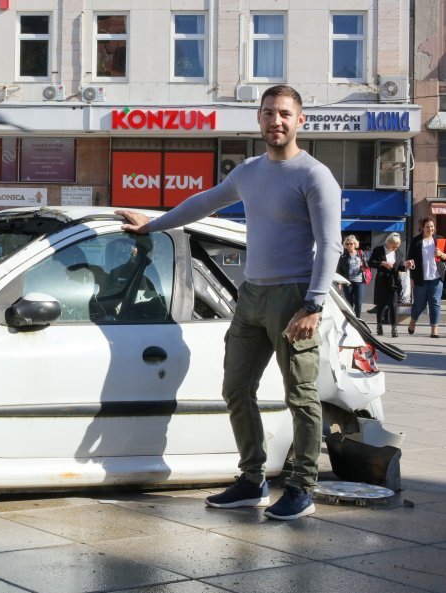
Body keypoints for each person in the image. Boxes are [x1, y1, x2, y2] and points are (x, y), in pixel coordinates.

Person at [118, 85, 342, 521]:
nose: (275, 121)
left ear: (300, 121)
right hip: (251, 296)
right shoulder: (249, 171)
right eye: (268, 113)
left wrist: (313, 306)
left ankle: (301, 486)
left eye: (283, 114)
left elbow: (329, 244)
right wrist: (154, 224)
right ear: (258, 119)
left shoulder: (315, 175)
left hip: (294, 296)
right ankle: (252, 479)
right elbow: (204, 203)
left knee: (301, 396)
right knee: (236, 390)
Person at [404, 217, 446, 338]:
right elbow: (410, 260)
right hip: (420, 277)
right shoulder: (416, 241)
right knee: (419, 305)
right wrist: (411, 279)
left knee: (435, 303)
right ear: (423, 227)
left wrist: (441, 254)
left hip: (436, 277)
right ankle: (413, 320)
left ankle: (434, 330)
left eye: (432, 226)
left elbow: (445, 256)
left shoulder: (440, 240)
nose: (430, 229)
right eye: (427, 226)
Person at [368, 233, 405, 337]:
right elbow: (371, 262)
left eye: (397, 247)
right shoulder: (379, 250)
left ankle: (394, 329)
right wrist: (382, 263)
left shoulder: (398, 252)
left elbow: (400, 266)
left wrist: (406, 265)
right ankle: (379, 327)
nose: (395, 248)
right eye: (393, 246)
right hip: (382, 280)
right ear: (388, 243)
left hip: (394, 281)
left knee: (394, 305)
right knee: (381, 305)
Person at [336, 235, 368, 319]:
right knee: (349, 303)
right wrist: (339, 282)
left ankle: (358, 319)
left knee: (358, 303)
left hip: (359, 281)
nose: (349, 246)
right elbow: (339, 270)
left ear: (355, 244)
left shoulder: (361, 254)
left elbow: (367, 265)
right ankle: (350, 320)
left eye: (351, 244)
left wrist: (365, 268)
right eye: (347, 244)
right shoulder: (343, 256)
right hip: (348, 282)